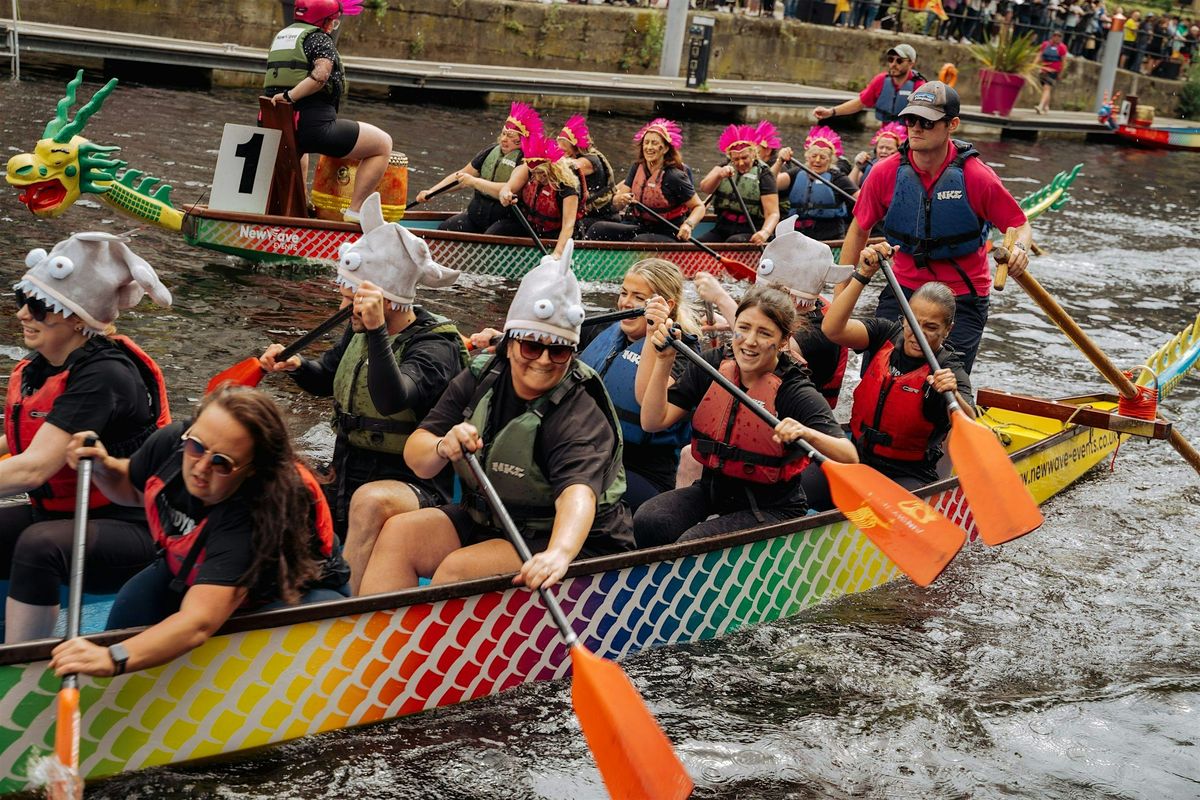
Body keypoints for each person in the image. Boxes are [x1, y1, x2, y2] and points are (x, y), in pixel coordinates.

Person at [357, 243, 632, 594]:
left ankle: (427, 645)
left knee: (458, 569)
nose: (544, 360)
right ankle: (379, 642)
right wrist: (443, 446)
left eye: (559, 350)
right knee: (399, 533)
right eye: (532, 346)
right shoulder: (482, 375)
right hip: (491, 519)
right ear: (510, 341)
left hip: (571, 539)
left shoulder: (578, 409)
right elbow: (418, 458)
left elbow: (577, 496)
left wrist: (558, 554)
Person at [48, 386, 352, 678]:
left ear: (253, 469)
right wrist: (102, 466)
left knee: (155, 642)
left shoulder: (254, 513)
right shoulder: (173, 442)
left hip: (292, 597)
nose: (200, 467)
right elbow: (130, 487)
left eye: (222, 463)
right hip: (191, 571)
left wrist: (111, 659)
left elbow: (198, 624)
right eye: (196, 447)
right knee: (129, 610)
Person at [259, 194, 466, 594]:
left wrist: (375, 333)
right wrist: (298, 367)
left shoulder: (434, 348)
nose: (343, 305)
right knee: (278, 480)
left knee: (369, 502)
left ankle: (341, 608)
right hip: (349, 466)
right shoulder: (357, 330)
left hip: (413, 484)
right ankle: (269, 586)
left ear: (385, 300)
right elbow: (327, 378)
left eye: (351, 298)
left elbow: (392, 399)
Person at [0, 233, 172, 643]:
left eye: (39, 307)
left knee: (40, 546)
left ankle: (23, 664)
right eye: (23, 300)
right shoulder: (42, 365)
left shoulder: (103, 375)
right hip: (67, 515)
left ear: (77, 317)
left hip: (135, 526)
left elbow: (35, 467)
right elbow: (16, 440)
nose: (24, 314)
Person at [633, 286, 858, 548]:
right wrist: (664, 360)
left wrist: (805, 432)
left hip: (773, 508)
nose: (750, 341)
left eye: (764, 333)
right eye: (744, 328)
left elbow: (848, 456)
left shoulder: (794, 389)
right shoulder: (714, 364)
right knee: (649, 520)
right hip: (714, 490)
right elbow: (652, 421)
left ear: (784, 341)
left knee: (691, 544)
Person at [838, 81, 1031, 373]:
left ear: (952, 124)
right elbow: (858, 230)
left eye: (927, 122)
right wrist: (841, 297)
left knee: (943, 386)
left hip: (961, 297)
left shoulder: (977, 177)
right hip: (902, 290)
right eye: (911, 120)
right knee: (877, 378)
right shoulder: (884, 173)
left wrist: (1019, 248)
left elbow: (1019, 224)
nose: (916, 128)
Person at [821, 244, 972, 496]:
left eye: (931, 327)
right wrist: (863, 275)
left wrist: (953, 395)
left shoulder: (948, 369)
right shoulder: (885, 334)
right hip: (857, 458)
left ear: (948, 330)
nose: (917, 334)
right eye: (912, 321)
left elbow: (970, 423)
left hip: (908, 475)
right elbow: (832, 329)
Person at [264, 0, 393, 223]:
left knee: (297, 149)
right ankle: (354, 210)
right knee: (382, 144)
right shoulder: (319, 39)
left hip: (277, 125)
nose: (334, 25)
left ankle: (300, 205)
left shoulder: (283, 37)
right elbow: (321, 75)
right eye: (332, 21)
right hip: (313, 127)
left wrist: (286, 99)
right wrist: (290, 97)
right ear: (323, 21)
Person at [414, 102, 542, 234]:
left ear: (522, 141)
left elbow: (510, 188)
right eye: (503, 134)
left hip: (506, 220)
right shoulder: (490, 151)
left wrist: (474, 182)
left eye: (510, 136)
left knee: (491, 236)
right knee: (445, 228)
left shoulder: (527, 161)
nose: (504, 139)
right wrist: (432, 191)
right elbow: (462, 175)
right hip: (476, 216)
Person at [586, 118, 707, 243]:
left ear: (665, 149)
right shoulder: (637, 167)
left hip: (669, 232)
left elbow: (699, 206)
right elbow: (616, 204)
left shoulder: (674, 176)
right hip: (642, 226)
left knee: (640, 241)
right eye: (646, 142)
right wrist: (620, 200)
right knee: (597, 229)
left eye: (654, 143)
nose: (649, 147)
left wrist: (688, 225)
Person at [495, 132, 582, 258]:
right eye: (534, 173)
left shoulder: (567, 185)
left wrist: (557, 254)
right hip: (532, 228)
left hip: (558, 234)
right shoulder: (530, 169)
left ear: (553, 169)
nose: (537, 178)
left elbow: (568, 225)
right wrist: (505, 195)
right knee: (498, 230)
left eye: (541, 173)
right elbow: (506, 188)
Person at [697, 124, 780, 244]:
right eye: (736, 159)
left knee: (733, 241)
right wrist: (719, 175)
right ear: (730, 158)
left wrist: (765, 232)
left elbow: (772, 213)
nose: (740, 163)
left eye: (744, 157)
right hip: (722, 227)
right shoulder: (723, 167)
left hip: (751, 229)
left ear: (753, 154)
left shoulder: (764, 174)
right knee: (700, 242)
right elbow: (705, 188)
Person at [775, 127, 858, 243]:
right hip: (798, 235)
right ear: (807, 157)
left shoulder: (838, 178)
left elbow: (860, 198)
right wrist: (779, 161)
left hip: (828, 237)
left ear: (830, 160)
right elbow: (772, 183)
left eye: (823, 157)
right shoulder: (796, 173)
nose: (817, 161)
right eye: (814, 156)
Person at [813, 44, 926, 123]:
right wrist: (830, 112)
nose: (893, 64)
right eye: (891, 59)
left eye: (899, 61)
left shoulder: (920, 87)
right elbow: (860, 103)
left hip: (908, 141)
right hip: (886, 138)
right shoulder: (881, 80)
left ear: (911, 64)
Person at [555, 115, 618, 234]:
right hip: (584, 214)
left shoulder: (589, 161)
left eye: (564, 152)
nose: (561, 155)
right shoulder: (574, 155)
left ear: (577, 149)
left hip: (598, 217)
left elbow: (568, 167)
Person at [849, 122, 907, 189]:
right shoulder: (869, 164)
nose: (884, 151)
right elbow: (850, 188)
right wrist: (857, 167)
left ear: (898, 151)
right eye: (881, 147)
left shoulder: (901, 170)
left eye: (889, 148)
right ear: (875, 149)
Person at [1036, 30, 1068, 113]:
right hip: (1044, 70)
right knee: (1046, 88)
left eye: (1059, 36)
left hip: (1053, 71)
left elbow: (1064, 61)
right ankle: (1046, 106)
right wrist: (1034, 64)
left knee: (1047, 88)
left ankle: (1041, 105)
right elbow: (1040, 55)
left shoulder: (1062, 47)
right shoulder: (1045, 44)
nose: (1056, 38)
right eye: (1055, 36)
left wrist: (1061, 73)